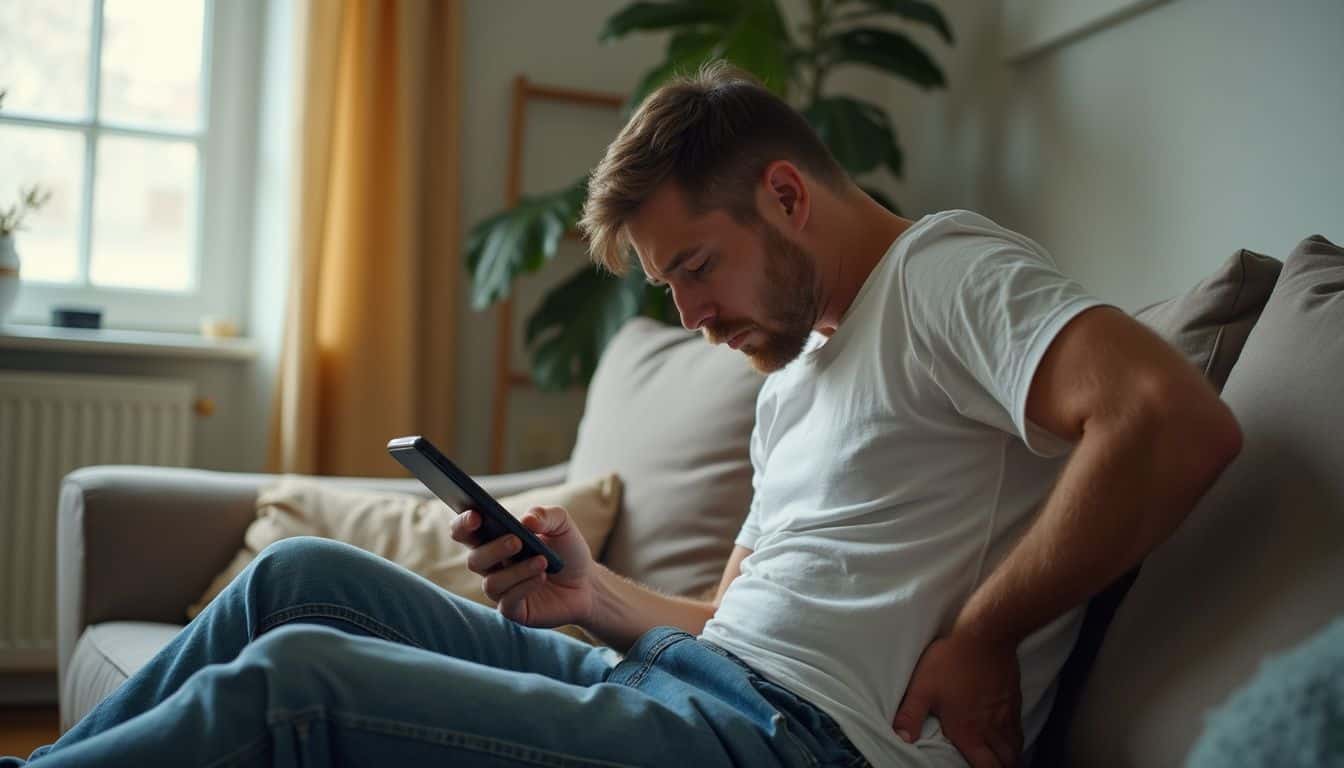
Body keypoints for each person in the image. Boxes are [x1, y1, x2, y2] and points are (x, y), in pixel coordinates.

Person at [3, 62, 1241, 768]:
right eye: (671, 288)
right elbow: (739, 616)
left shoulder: (944, 276)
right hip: (696, 686)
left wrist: (983, 630)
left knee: (295, 685)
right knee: (302, 582)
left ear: (786, 194)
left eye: (697, 266)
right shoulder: (794, 381)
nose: (690, 316)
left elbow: (1169, 419)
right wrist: (593, 598)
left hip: (796, 747)